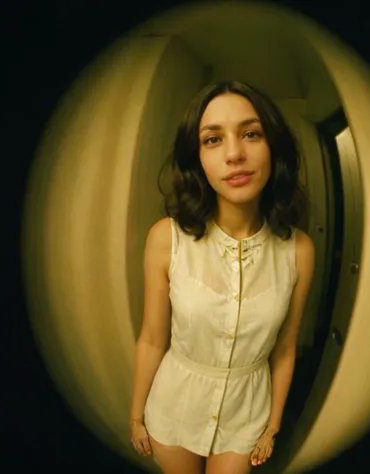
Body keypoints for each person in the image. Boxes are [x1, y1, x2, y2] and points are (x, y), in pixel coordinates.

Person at [130, 80, 315, 474]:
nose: (235, 154)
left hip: (247, 414)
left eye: (251, 134)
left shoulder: (299, 250)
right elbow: (151, 337)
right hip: (174, 406)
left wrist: (273, 424)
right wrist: (136, 414)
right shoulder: (166, 237)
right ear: (196, 157)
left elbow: (285, 348)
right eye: (213, 140)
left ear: (273, 147)